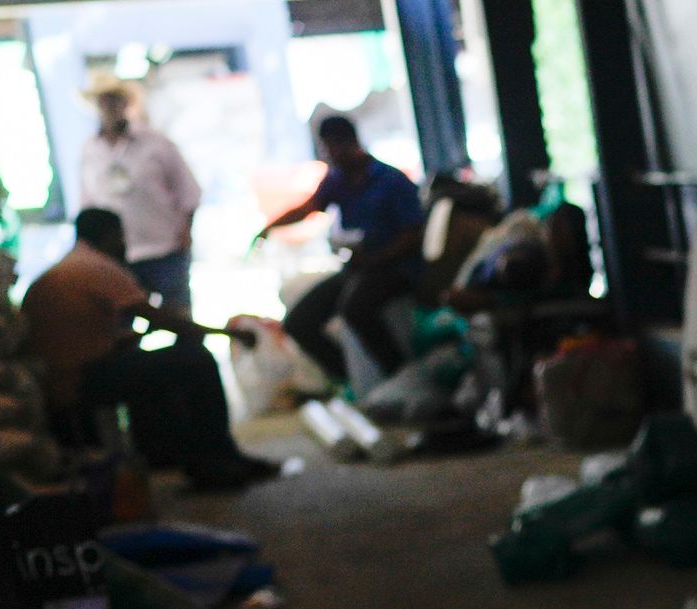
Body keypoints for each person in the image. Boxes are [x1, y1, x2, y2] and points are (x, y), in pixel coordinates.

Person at [22, 208, 278, 490]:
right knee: (195, 360)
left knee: (152, 366)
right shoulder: (97, 267)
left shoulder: (71, 266)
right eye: (120, 237)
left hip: (64, 376)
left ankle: (169, 455)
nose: (124, 245)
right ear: (110, 236)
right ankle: (218, 461)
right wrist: (228, 333)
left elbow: (82, 341)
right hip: (79, 380)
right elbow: (163, 320)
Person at [256, 112, 425, 378]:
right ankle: (348, 379)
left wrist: (376, 259)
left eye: (332, 147)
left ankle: (400, 374)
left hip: (397, 269)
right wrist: (270, 227)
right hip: (360, 268)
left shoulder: (391, 181)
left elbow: (414, 235)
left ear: (350, 142)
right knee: (300, 322)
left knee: (356, 308)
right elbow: (310, 207)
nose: (329, 155)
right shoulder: (337, 180)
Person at [74, 82, 200, 319]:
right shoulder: (89, 151)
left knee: (178, 316)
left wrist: (185, 232)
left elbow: (189, 192)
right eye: (104, 101)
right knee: (122, 322)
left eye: (116, 100)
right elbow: (87, 205)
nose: (110, 108)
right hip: (118, 257)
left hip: (164, 249)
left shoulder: (156, 143)